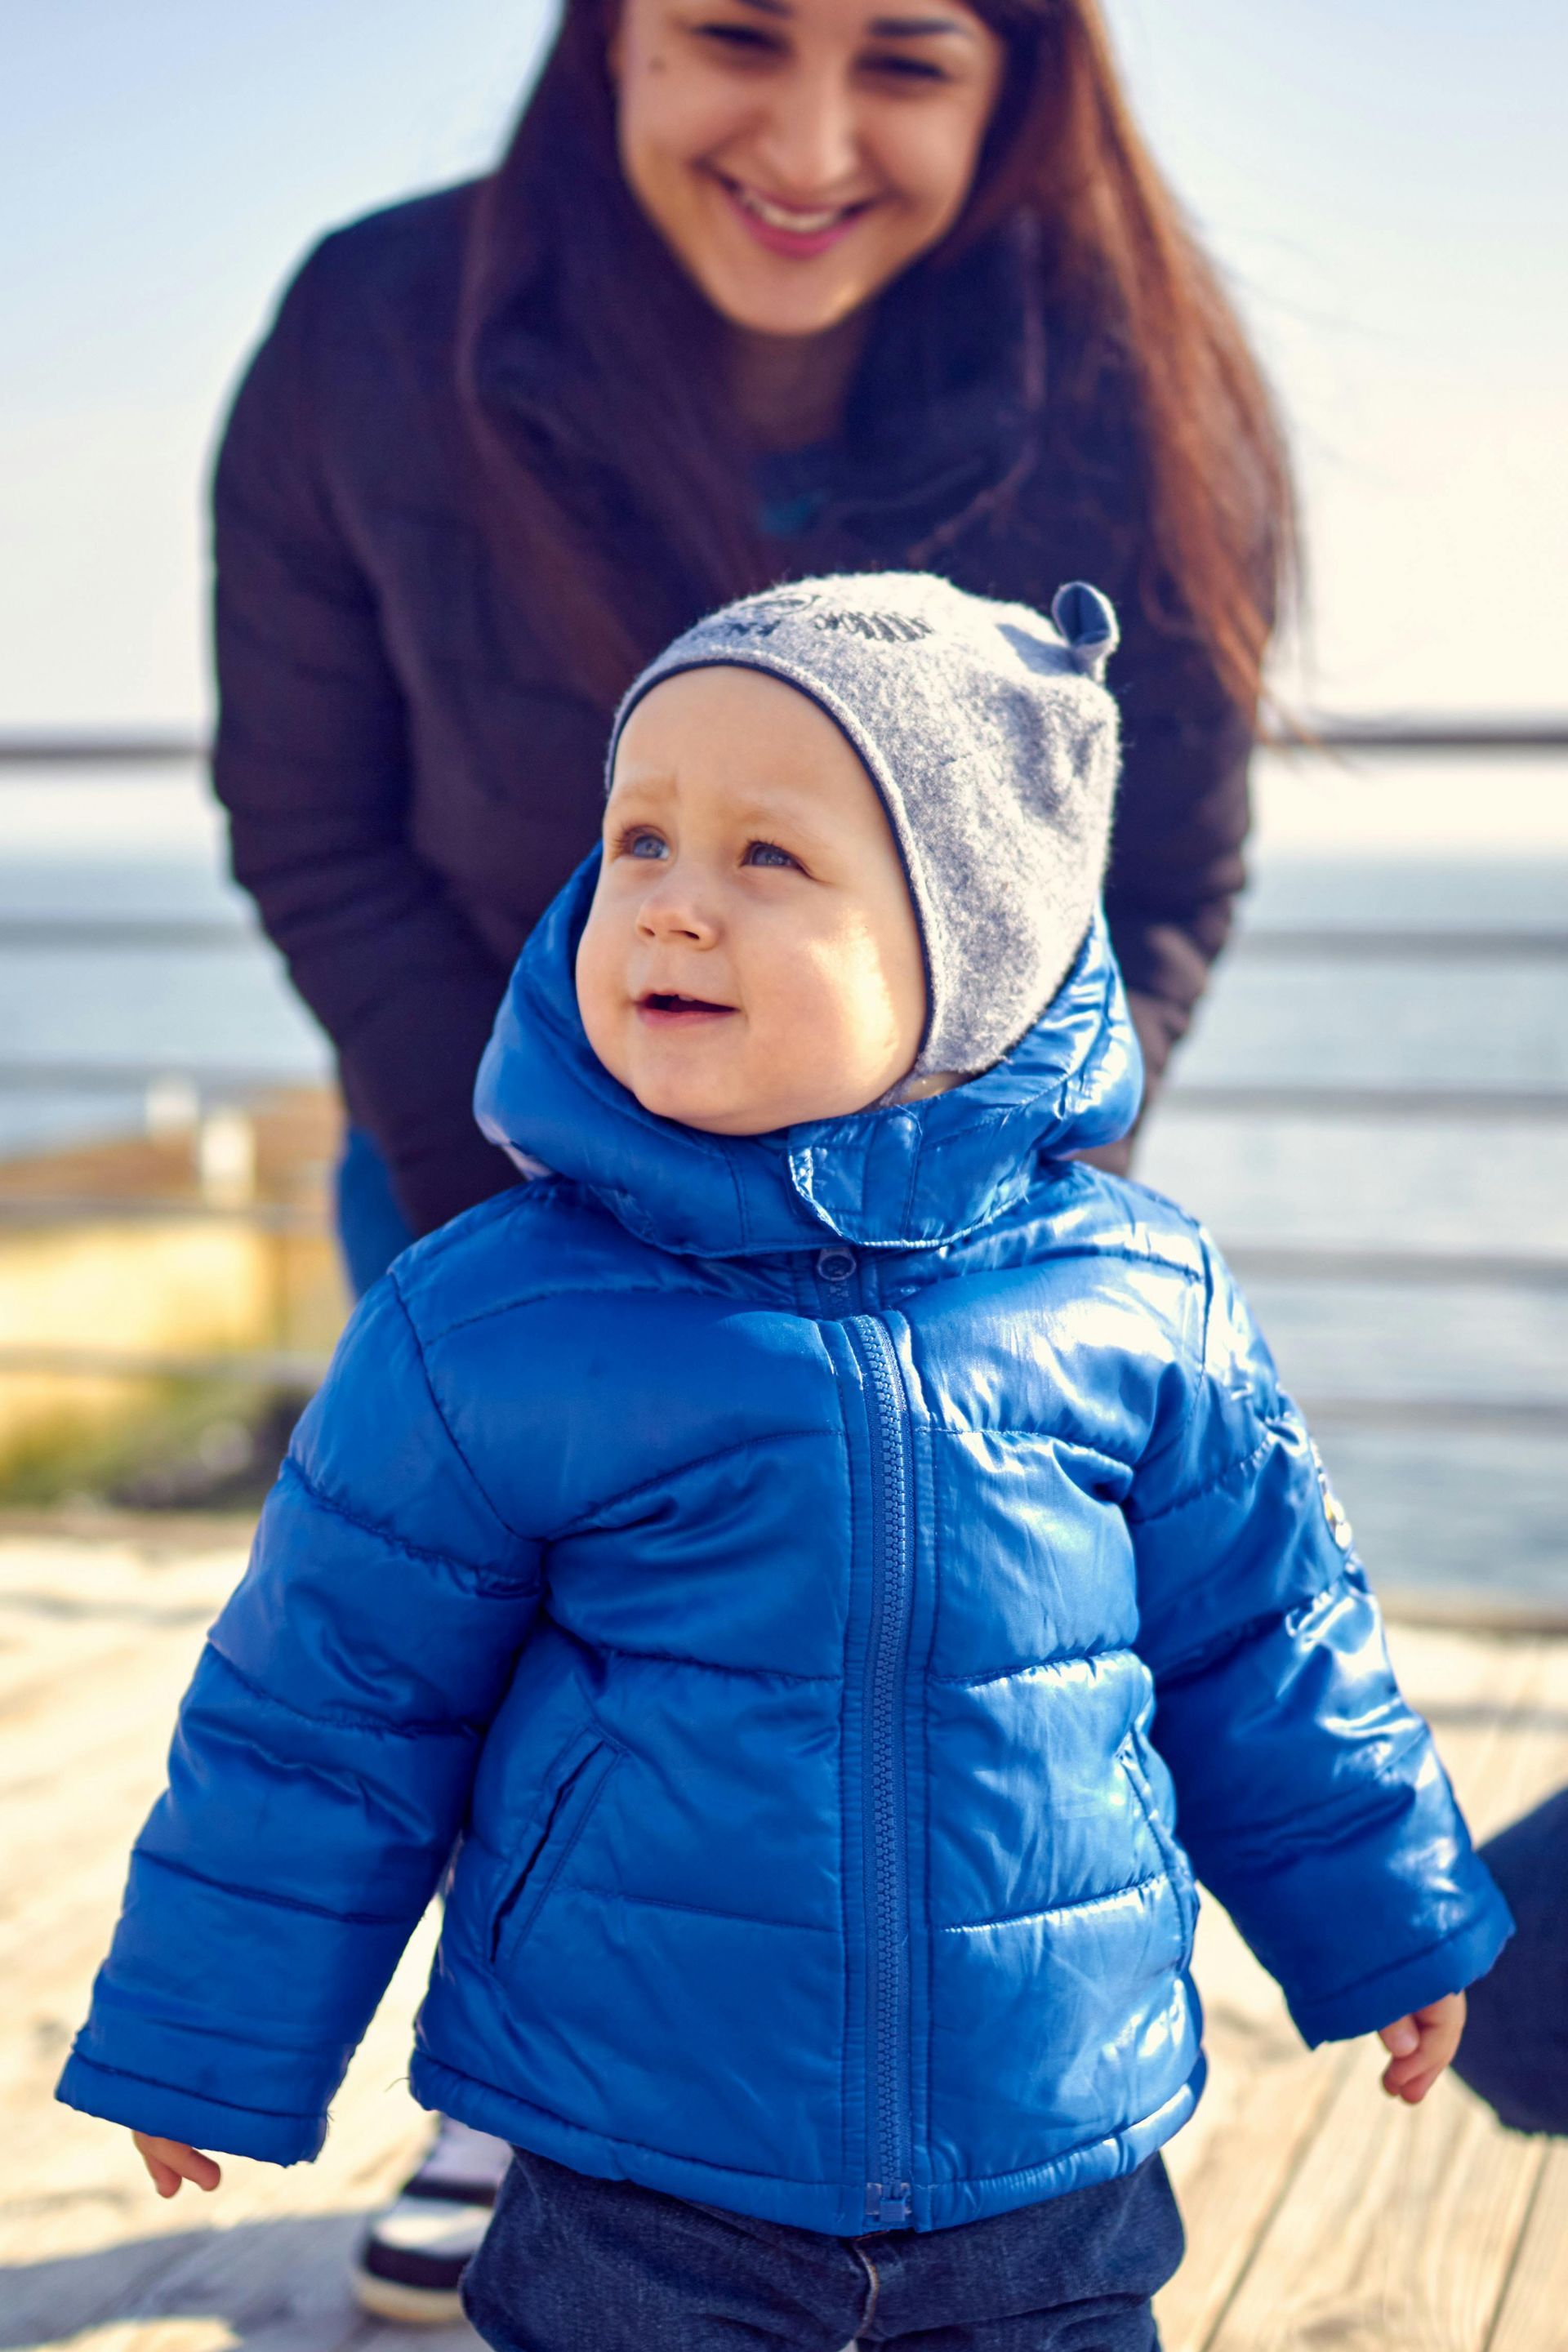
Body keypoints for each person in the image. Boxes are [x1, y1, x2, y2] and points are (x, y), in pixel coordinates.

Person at [62, 575, 1507, 2352]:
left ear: (970, 944)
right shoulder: (491, 1322)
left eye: (769, 861)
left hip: (1051, 2163)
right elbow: (328, 1712)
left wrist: (1390, 1919)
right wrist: (212, 2032)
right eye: (642, 839)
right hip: (641, 2170)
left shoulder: (1135, 1298)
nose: (670, 905)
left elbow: (1266, 1649)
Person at [213, 0, 1294, 2295]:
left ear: (1017, 92)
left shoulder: (1138, 370)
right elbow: (312, 822)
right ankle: (539, 2118)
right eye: (733, 37)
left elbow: (1169, 870)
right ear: (610, 45)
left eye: (906, 59)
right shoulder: (372, 329)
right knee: (512, 1661)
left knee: (894, 1688)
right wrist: (549, 1237)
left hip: (954, 1231)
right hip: (476, 1156)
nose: (807, 136)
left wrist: (991, 1220)